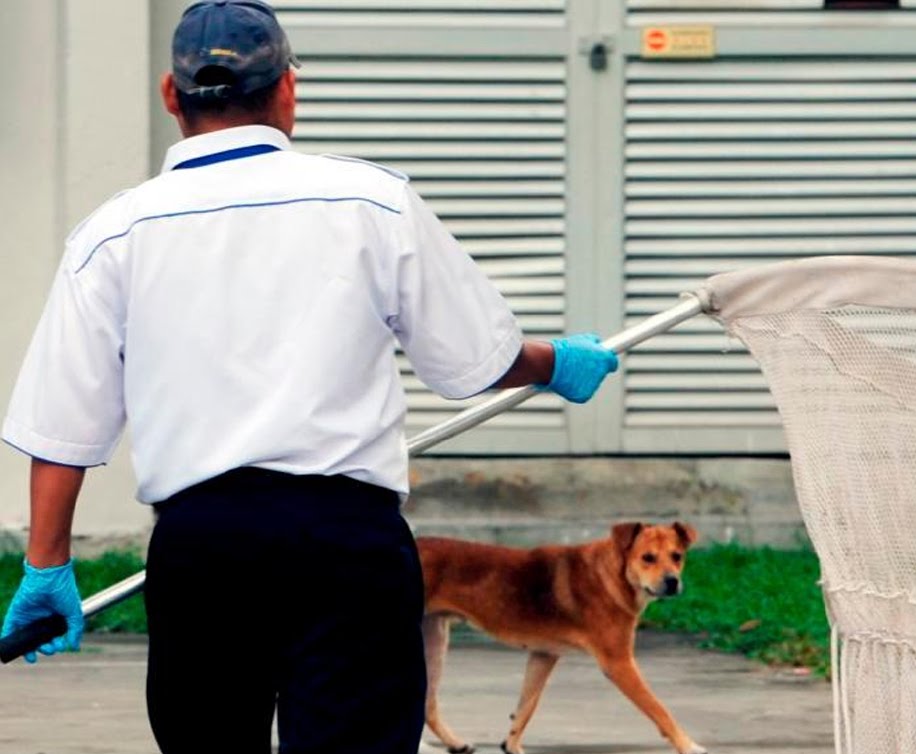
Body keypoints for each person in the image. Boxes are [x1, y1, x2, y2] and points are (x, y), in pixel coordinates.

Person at [0, 1, 618, 752]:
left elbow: (63, 427)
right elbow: (476, 362)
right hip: (347, 549)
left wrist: (47, 567)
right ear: (288, 87)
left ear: (172, 94)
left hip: (203, 553)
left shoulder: (113, 233)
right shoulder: (372, 202)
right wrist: (555, 363)